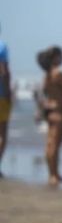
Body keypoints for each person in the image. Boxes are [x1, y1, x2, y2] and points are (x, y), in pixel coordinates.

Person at [37, 46, 62, 186]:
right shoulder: (58, 73)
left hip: (50, 111)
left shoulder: (46, 75)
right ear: (56, 57)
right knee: (55, 145)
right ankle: (53, 175)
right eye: (61, 55)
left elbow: (45, 93)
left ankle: (54, 173)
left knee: (51, 143)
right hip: (59, 112)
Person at [0, 40, 11, 177]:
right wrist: (8, 92)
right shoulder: (2, 47)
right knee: (2, 134)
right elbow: (4, 71)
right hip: (1, 96)